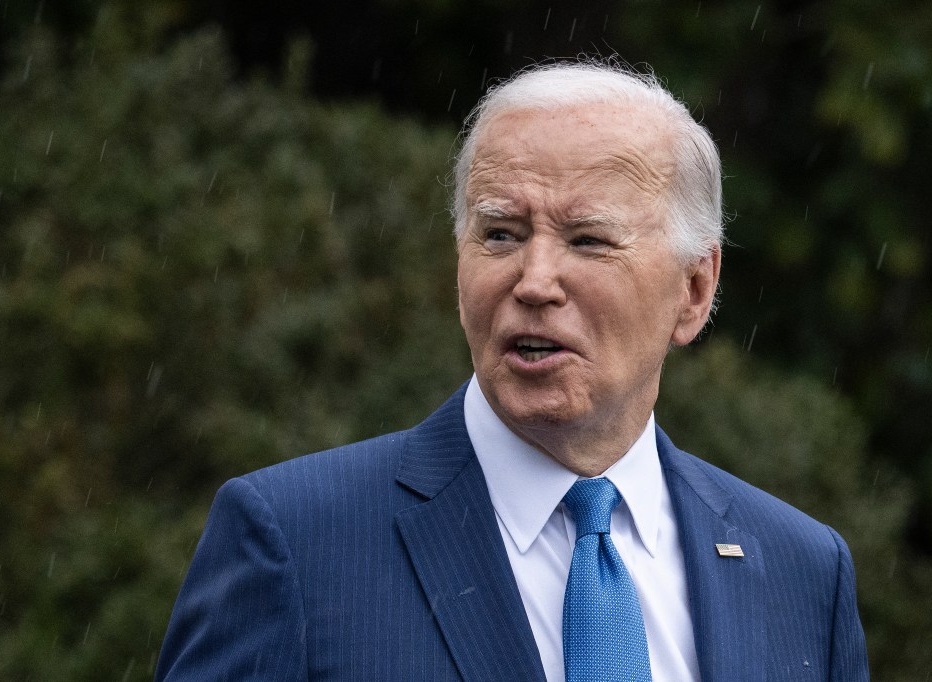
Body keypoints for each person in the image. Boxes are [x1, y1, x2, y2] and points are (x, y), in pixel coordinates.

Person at [155, 62, 869, 681]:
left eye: (588, 240)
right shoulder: (298, 543)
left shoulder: (802, 573)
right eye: (501, 234)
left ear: (694, 290)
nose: (534, 281)